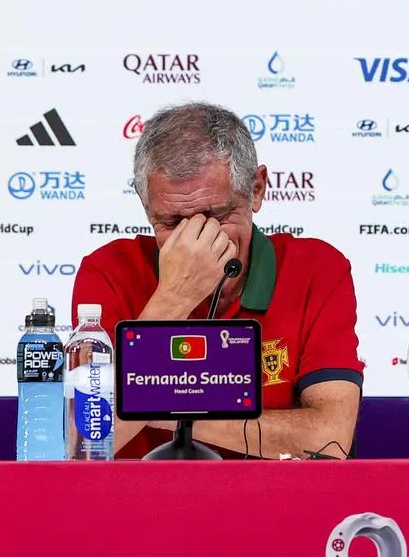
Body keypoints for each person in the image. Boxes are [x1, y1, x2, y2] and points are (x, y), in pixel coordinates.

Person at [72, 102, 362, 459]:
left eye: (216, 216)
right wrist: (174, 297)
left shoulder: (316, 270)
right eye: (173, 223)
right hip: (143, 504)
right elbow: (86, 442)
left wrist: (164, 409)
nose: (197, 240)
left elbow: (328, 439)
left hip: (270, 504)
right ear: (146, 207)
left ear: (256, 190)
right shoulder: (108, 272)